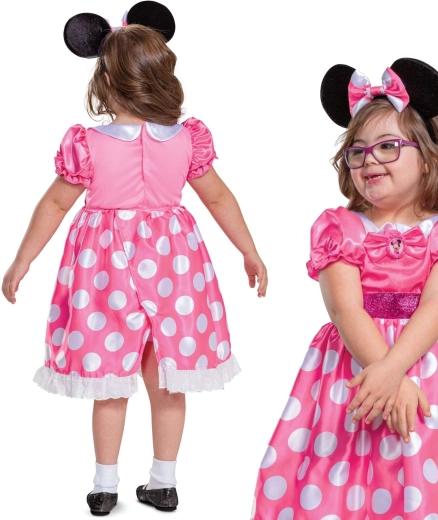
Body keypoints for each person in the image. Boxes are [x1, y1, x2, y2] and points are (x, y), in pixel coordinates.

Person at [1, 1, 267, 516]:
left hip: (105, 270)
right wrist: (248, 250)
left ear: (104, 79)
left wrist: (22, 260)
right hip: (174, 268)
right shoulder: (186, 140)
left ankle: (105, 487)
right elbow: (218, 198)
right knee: (166, 380)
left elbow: (55, 204)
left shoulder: (88, 144)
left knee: (110, 382)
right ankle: (163, 483)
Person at [252, 58, 438, 519]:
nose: (369, 159)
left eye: (388, 146)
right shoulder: (339, 228)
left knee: (422, 468)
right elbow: (345, 310)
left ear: (428, 159)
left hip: (430, 370)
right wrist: (386, 376)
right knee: (342, 471)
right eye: (358, 151)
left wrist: (394, 371)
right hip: (354, 367)